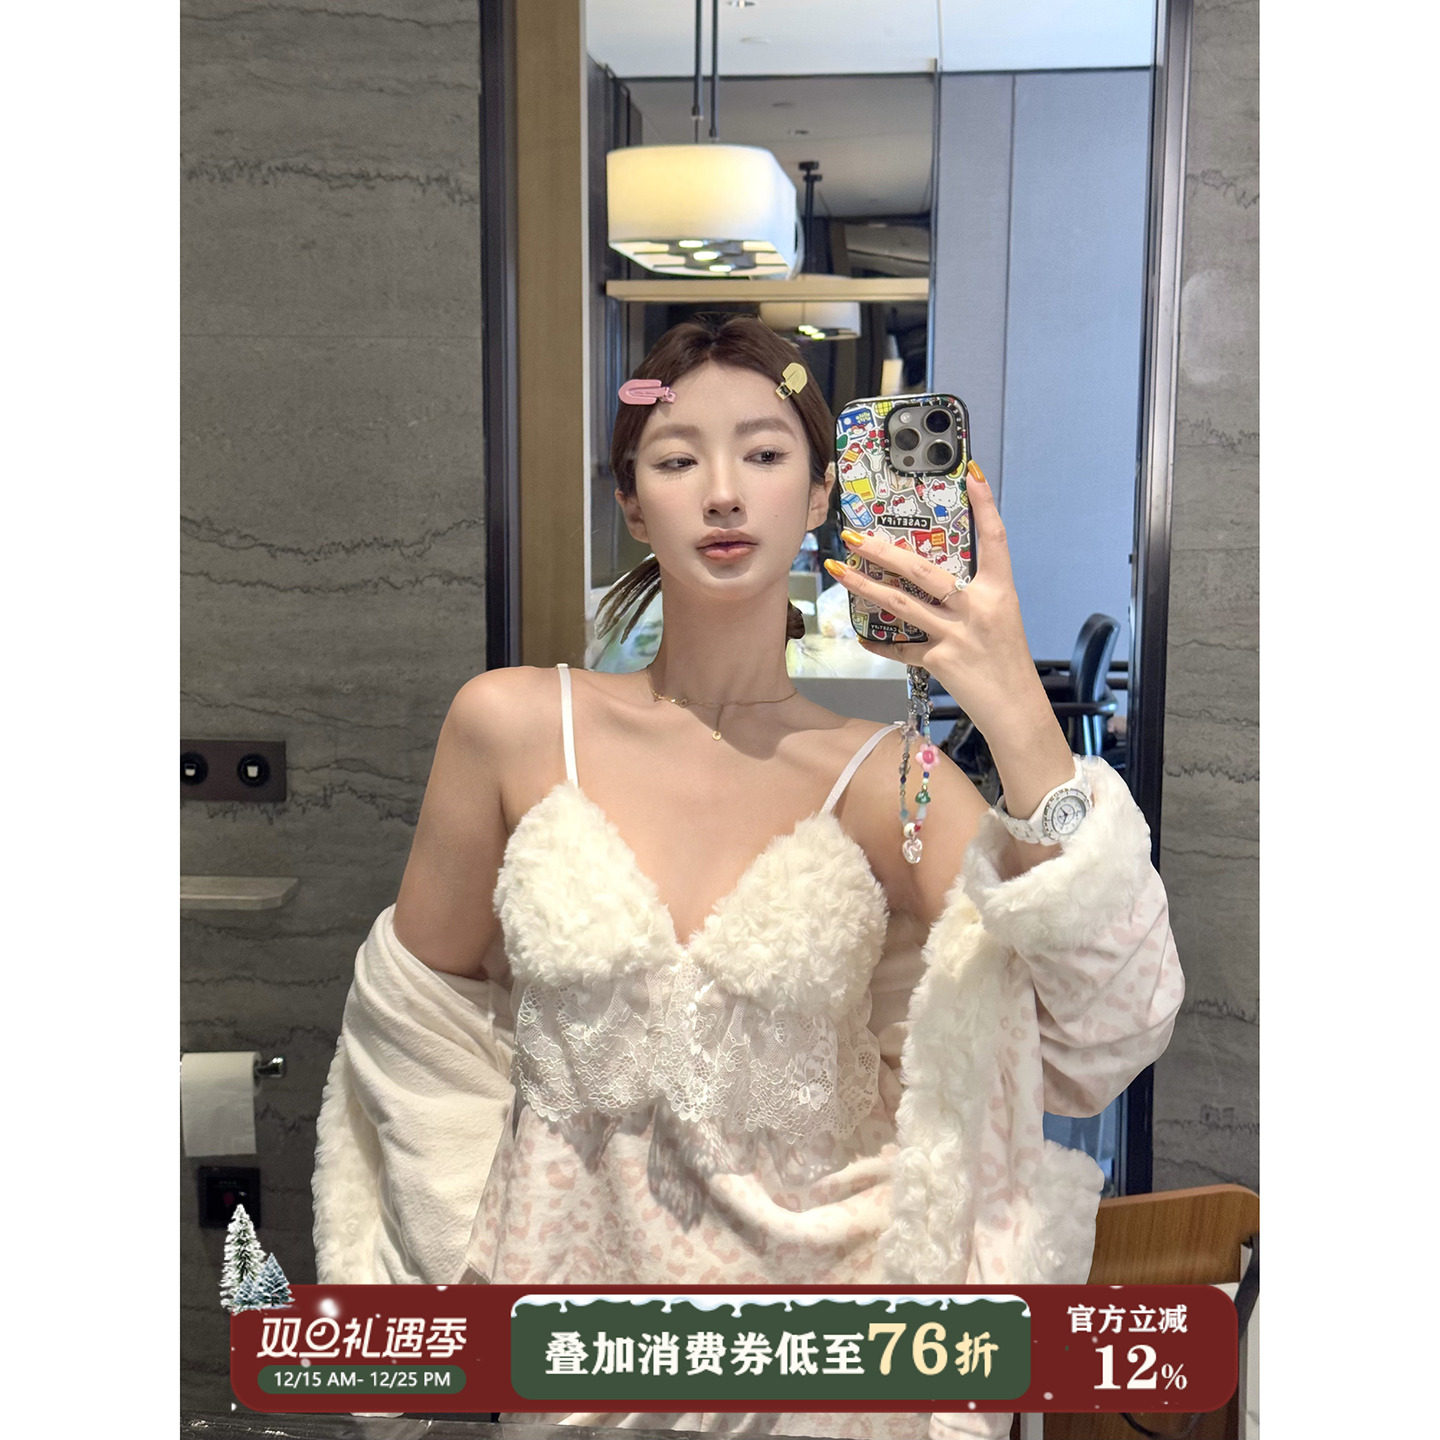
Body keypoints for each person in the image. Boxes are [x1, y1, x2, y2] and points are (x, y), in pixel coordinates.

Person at [312, 316, 1184, 1440]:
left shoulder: (887, 781)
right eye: (677, 459)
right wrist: (470, 1272)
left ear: (823, 494)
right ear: (632, 502)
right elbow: (413, 1026)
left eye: (765, 454)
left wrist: (1011, 699)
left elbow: (1104, 1027)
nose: (723, 493)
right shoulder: (514, 726)